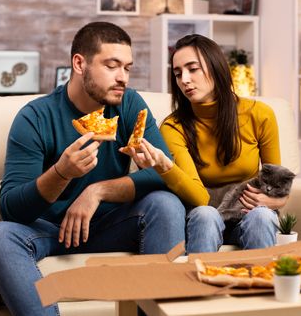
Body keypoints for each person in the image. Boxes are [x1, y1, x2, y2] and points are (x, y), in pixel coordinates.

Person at [0, 22, 185, 316]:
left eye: (127, 68)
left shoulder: (128, 104)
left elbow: (164, 171)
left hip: (111, 225)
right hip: (52, 231)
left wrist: (97, 191)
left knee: (166, 205)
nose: (122, 78)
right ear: (79, 63)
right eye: (112, 66)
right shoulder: (35, 117)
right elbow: (11, 207)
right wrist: (61, 173)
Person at [122, 34, 285, 254]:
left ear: (215, 66)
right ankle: (201, 287)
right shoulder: (174, 126)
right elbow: (201, 200)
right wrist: (163, 166)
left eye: (193, 69)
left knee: (263, 216)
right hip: (201, 218)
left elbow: (277, 187)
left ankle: (263, 285)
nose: (185, 80)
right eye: (178, 74)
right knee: (206, 215)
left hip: (247, 215)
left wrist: (274, 201)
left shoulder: (260, 114)